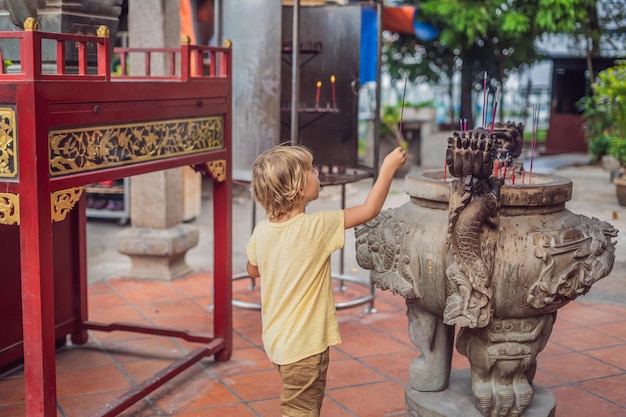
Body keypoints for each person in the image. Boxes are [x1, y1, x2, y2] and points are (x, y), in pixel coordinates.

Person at [246, 144, 406, 417]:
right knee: (300, 411)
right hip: (305, 347)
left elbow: (253, 270)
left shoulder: (262, 232)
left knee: (299, 404)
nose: (317, 172)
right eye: (311, 170)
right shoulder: (317, 227)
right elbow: (369, 209)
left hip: (277, 343)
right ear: (298, 188)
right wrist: (388, 168)